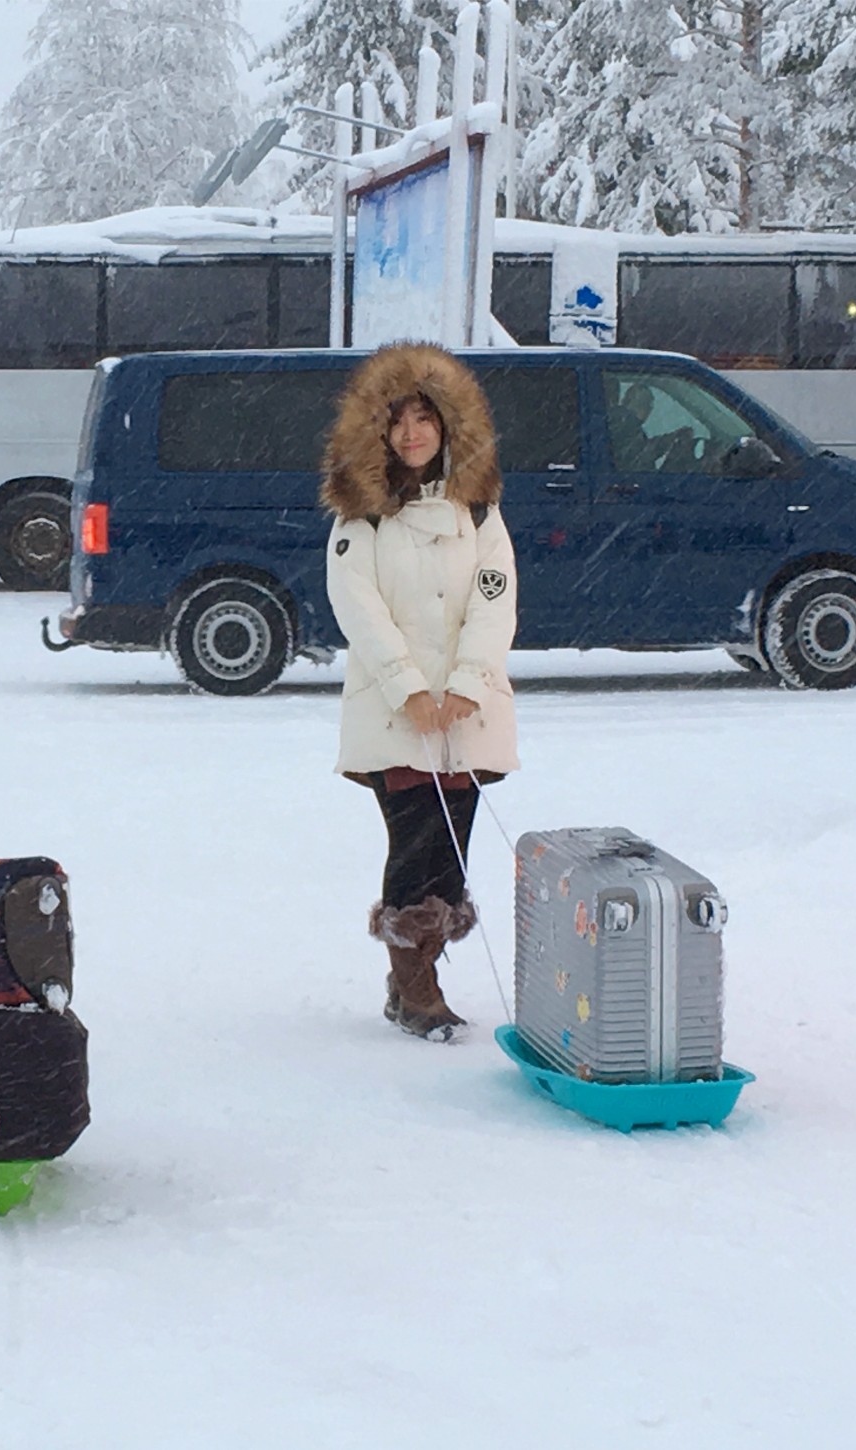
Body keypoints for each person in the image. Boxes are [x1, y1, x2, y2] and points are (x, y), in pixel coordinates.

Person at [322, 342, 520, 1042]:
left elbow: (496, 597)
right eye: (398, 420)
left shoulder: (479, 510)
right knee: (414, 841)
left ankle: (415, 975)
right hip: (395, 715)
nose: (412, 434)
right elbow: (359, 608)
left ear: (447, 426)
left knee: (452, 850)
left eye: (424, 419)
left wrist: (466, 685)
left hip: (466, 715)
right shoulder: (362, 519)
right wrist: (409, 689)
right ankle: (417, 990)